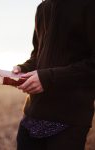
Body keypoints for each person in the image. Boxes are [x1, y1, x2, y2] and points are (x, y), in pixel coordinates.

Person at [12, 0, 95, 149]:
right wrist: (23, 68)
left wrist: (47, 78)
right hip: (32, 115)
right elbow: (38, 54)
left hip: (69, 119)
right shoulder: (42, 7)